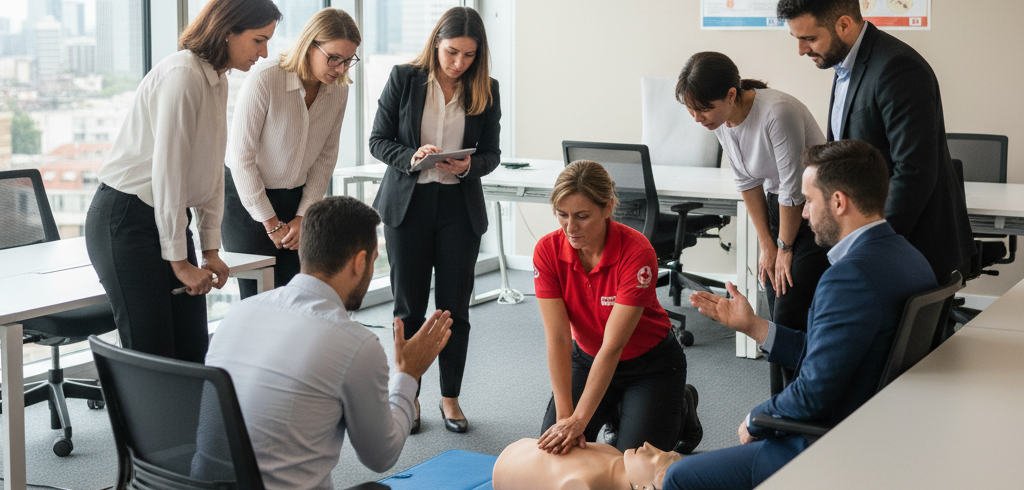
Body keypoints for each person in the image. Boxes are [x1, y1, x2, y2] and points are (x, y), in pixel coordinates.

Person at [662, 140, 937, 490]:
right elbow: (833, 354)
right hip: (882, 428)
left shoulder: (849, 277)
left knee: (678, 477)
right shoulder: (910, 256)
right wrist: (754, 326)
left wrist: (757, 418)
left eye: (808, 200)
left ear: (838, 202)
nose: (804, 213)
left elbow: (812, 393)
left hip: (830, 441)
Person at [205, 196, 453, 490]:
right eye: (374, 260)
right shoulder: (355, 344)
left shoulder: (239, 313)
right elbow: (381, 456)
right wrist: (408, 374)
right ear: (359, 262)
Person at [85, 0, 281, 362]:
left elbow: (211, 172)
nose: (264, 52)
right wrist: (179, 263)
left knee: (192, 349)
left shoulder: (217, 79)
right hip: (126, 217)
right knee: (153, 352)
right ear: (227, 31)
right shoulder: (183, 75)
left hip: (167, 215)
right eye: (259, 40)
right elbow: (169, 175)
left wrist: (210, 250)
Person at [368, 6, 501, 434]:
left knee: (453, 308)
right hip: (409, 205)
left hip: (459, 208)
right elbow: (378, 140)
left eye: (469, 55)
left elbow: (492, 154)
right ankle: (408, 396)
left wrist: (468, 165)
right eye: (451, 52)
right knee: (409, 307)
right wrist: (413, 156)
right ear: (436, 44)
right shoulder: (404, 78)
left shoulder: (486, 89)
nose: (459, 63)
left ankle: (450, 397)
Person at [776, 0, 975, 282]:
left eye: (809, 38)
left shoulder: (897, 67)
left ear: (844, 25)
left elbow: (913, 171)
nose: (801, 50)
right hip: (868, 245)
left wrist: (870, 247)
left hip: (910, 248)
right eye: (796, 39)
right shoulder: (846, 65)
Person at [677, 51, 831, 393]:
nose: (698, 119)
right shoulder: (722, 121)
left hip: (814, 211)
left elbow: (793, 188)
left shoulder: (777, 112)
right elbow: (747, 182)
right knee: (776, 308)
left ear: (731, 94)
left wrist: (784, 247)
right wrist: (766, 245)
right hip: (780, 210)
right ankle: (782, 400)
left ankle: (802, 398)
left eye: (703, 110)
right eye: (691, 110)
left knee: (789, 307)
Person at [534, 160, 700, 456]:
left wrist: (580, 420)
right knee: (559, 452)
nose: (570, 228)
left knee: (631, 469)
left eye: (582, 216)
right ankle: (617, 409)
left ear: (608, 208)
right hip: (587, 360)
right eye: (562, 215)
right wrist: (565, 419)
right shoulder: (547, 251)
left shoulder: (637, 252)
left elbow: (612, 347)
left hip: (649, 367)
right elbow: (558, 339)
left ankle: (681, 406)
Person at [222, 8, 361, 300]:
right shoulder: (266, 77)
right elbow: (241, 158)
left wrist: (303, 215)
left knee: (297, 296)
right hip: (248, 199)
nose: (340, 69)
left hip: (298, 201)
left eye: (349, 60)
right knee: (258, 300)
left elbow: (326, 157)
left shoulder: (339, 89)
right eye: (334, 58)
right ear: (310, 46)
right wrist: (270, 222)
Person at [492, 438, 681, 490]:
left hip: (505, 469)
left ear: (646, 488)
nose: (648, 445)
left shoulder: (583, 484)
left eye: (655, 458)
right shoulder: (614, 455)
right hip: (517, 453)